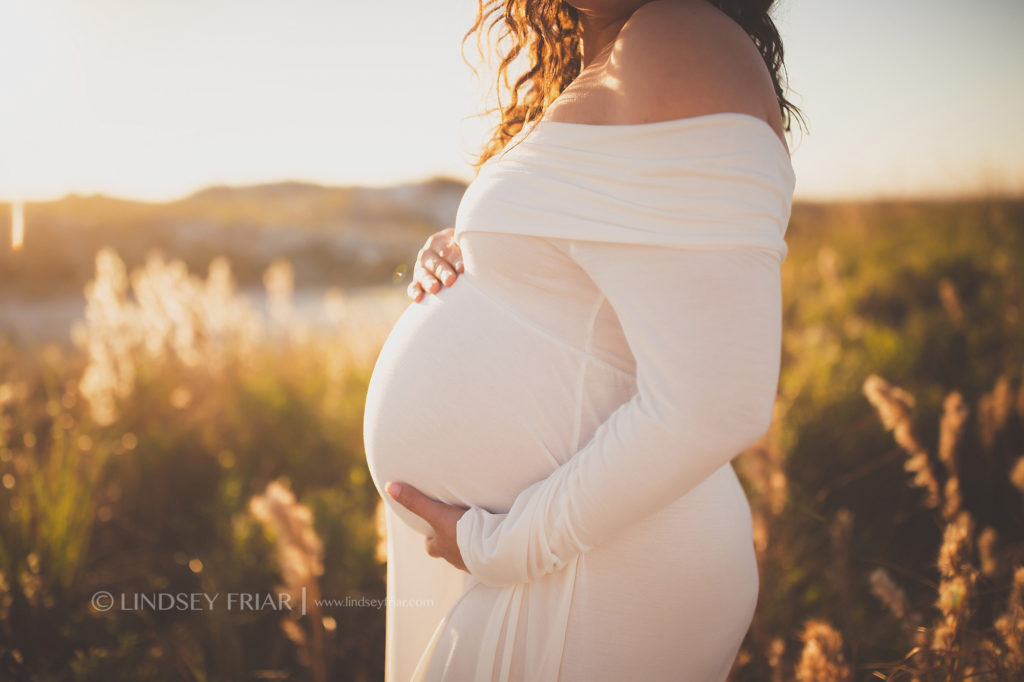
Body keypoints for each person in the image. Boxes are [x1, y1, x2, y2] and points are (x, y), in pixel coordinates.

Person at [361, 0, 805, 679]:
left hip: (597, 570)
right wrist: (475, 252)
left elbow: (719, 403)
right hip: (571, 560)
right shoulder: (619, 56)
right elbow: (601, 256)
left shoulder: (678, 34)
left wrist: (506, 548)